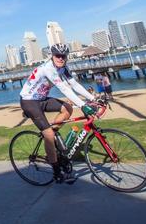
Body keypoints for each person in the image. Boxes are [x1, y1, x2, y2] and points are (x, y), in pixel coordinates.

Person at [20, 43, 97, 184]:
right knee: (48, 134)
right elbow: (65, 89)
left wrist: (93, 99)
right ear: (52, 56)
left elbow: (74, 85)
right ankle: (56, 171)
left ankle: (52, 136)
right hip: (29, 101)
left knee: (67, 108)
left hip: (41, 99)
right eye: (58, 56)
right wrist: (84, 106)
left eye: (63, 56)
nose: (61, 58)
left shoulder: (63, 68)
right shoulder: (48, 68)